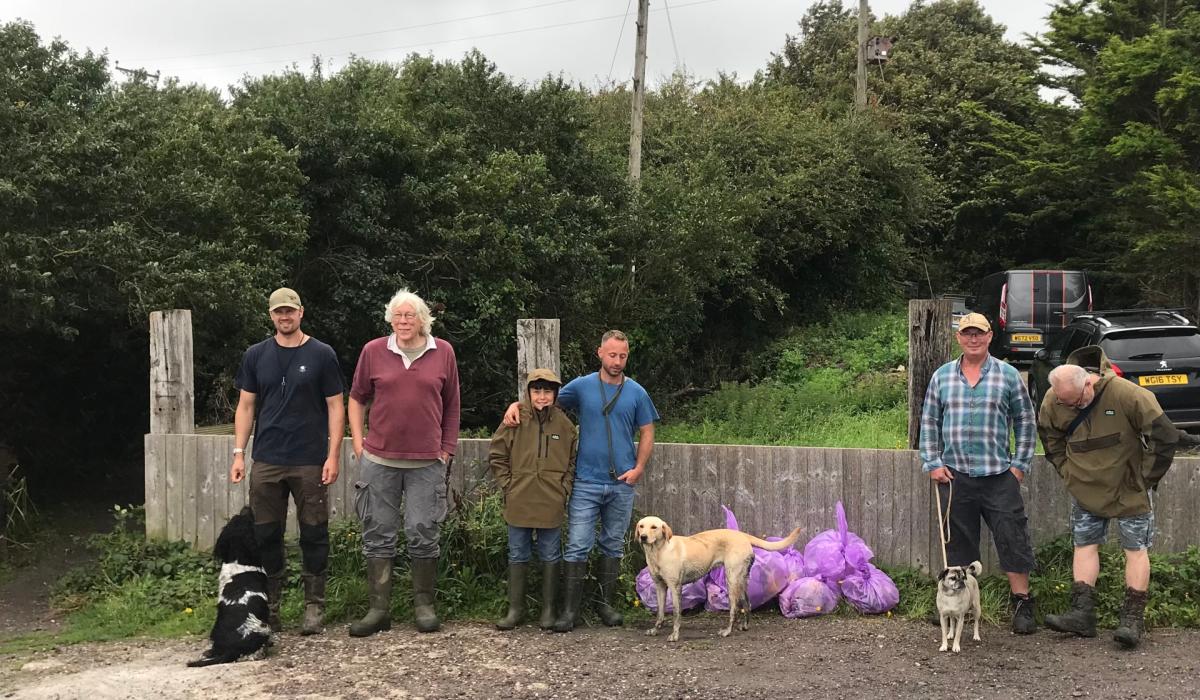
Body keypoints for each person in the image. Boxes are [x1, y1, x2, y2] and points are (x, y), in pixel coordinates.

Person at [503, 329, 659, 632]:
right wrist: (515, 405)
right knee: (577, 545)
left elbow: (648, 430)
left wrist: (639, 467)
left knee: (613, 545)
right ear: (600, 353)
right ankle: (570, 611)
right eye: (611, 354)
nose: (617, 361)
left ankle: (605, 606)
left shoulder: (637, 392)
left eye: (622, 356)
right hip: (585, 481)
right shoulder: (582, 387)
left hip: (622, 482)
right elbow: (543, 400)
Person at [1038, 347, 1180, 648]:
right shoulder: (1054, 399)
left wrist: (1145, 478)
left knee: (1135, 548)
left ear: (1089, 383)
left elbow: (1165, 435)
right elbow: (1050, 439)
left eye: (1075, 402)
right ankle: (1082, 614)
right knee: (1084, 544)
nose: (1071, 407)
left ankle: (1131, 621)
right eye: (1066, 403)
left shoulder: (1128, 394)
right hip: (1084, 487)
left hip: (1129, 487)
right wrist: (1068, 472)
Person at [229, 287, 346, 636]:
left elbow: (336, 406)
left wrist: (333, 454)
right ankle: (271, 607)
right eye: (279, 312)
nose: (285, 317)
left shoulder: (322, 354)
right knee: (266, 534)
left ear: (301, 313)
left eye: (290, 312)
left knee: (314, 532)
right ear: (271, 316)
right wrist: (239, 453)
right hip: (266, 459)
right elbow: (246, 406)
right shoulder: (255, 355)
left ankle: (314, 606)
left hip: (309, 460)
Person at [347, 289, 460, 637]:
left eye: (410, 315)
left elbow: (452, 404)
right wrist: (357, 440)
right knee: (378, 533)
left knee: (423, 532)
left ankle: (424, 606)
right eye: (398, 316)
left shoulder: (443, 352)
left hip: (427, 462)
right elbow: (356, 397)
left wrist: (446, 450)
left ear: (423, 319)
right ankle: (378, 609)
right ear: (390, 319)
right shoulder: (373, 351)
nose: (404, 321)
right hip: (379, 460)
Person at [919, 312, 1039, 634]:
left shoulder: (1008, 375)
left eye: (979, 333)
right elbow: (929, 421)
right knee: (958, 543)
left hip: (999, 474)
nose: (973, 339)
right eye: (967, 333)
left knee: (1012, 537)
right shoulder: (941, 377)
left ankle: (1022, 603)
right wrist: (932, 462)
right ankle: (957, 604)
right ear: (958, 338)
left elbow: (1026, 422)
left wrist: (1019, 466)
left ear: (989, 337)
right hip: (955, 475)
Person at [488, 368, 577, 631]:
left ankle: (548, 610)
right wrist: (508, 486)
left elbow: (572, 463)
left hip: (551, 501)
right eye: (536, 391)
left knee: (550, 554)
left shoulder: (566, 426)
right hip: (519, 499)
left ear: (555, 394)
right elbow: (496, 455)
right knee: (518, 553)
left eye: (547, 391)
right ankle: (516, 609)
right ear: (528, 393)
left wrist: (564, 489)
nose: (541, 396)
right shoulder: (513, 420)